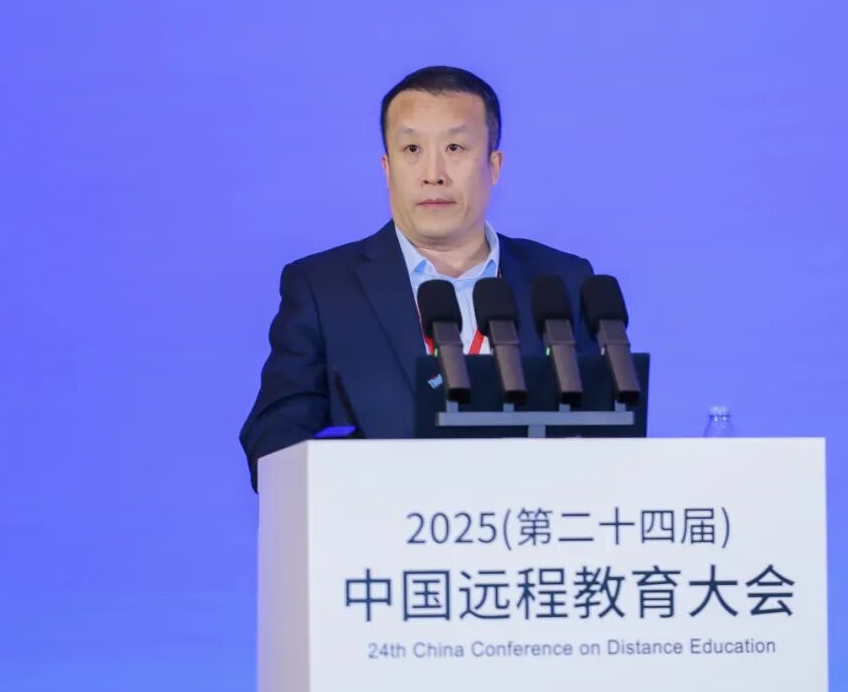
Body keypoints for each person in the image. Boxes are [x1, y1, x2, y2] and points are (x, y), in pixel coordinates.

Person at [240, 66, 597, 490]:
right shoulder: (323, 288)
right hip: (378, 524)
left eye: (454, 147)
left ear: (494, 165)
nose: (433, 173)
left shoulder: (560, 283)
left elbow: (606, 435)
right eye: (412, 149)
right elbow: (275, 441)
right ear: (387, 167)